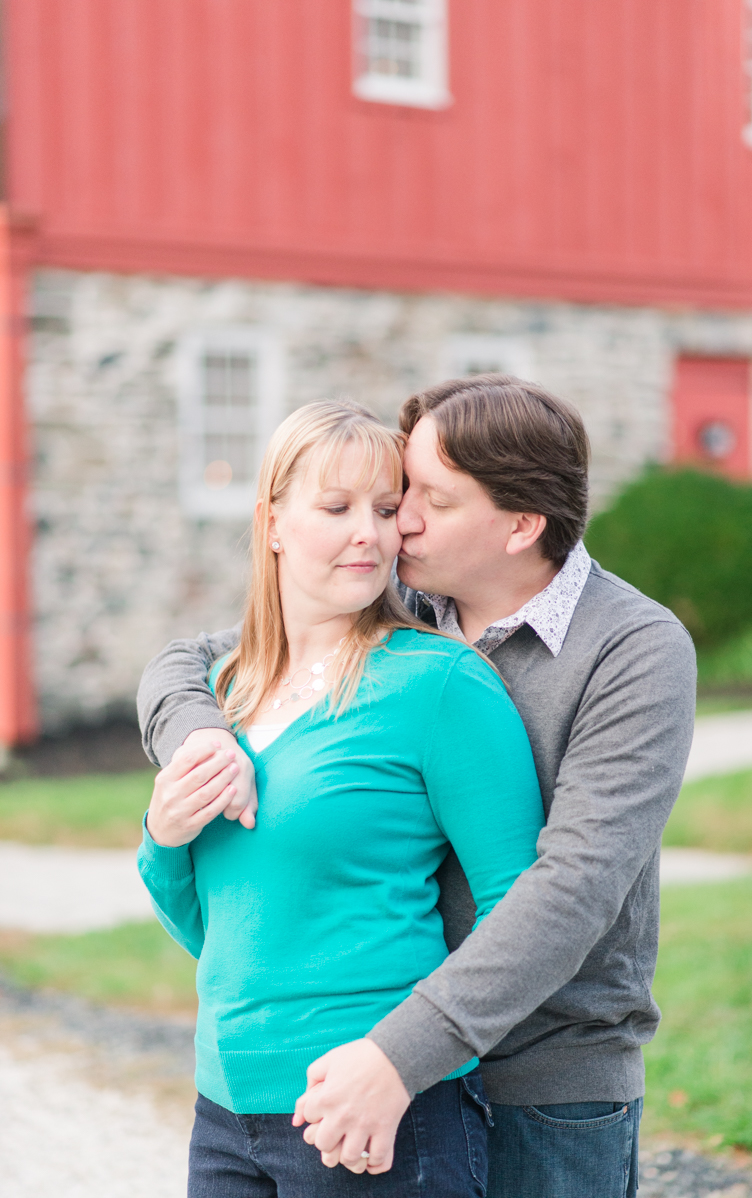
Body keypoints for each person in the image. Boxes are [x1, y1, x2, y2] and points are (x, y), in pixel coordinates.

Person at [139, 375, 697, 1198]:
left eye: (424, 499)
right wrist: (195, 735)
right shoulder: (407, 601)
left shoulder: (632, 649)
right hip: (383, 1058)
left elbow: (573, 887)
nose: (396, 522)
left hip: (546, 1073)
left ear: (520, 525)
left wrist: (403, 1055)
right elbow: (197, 661)